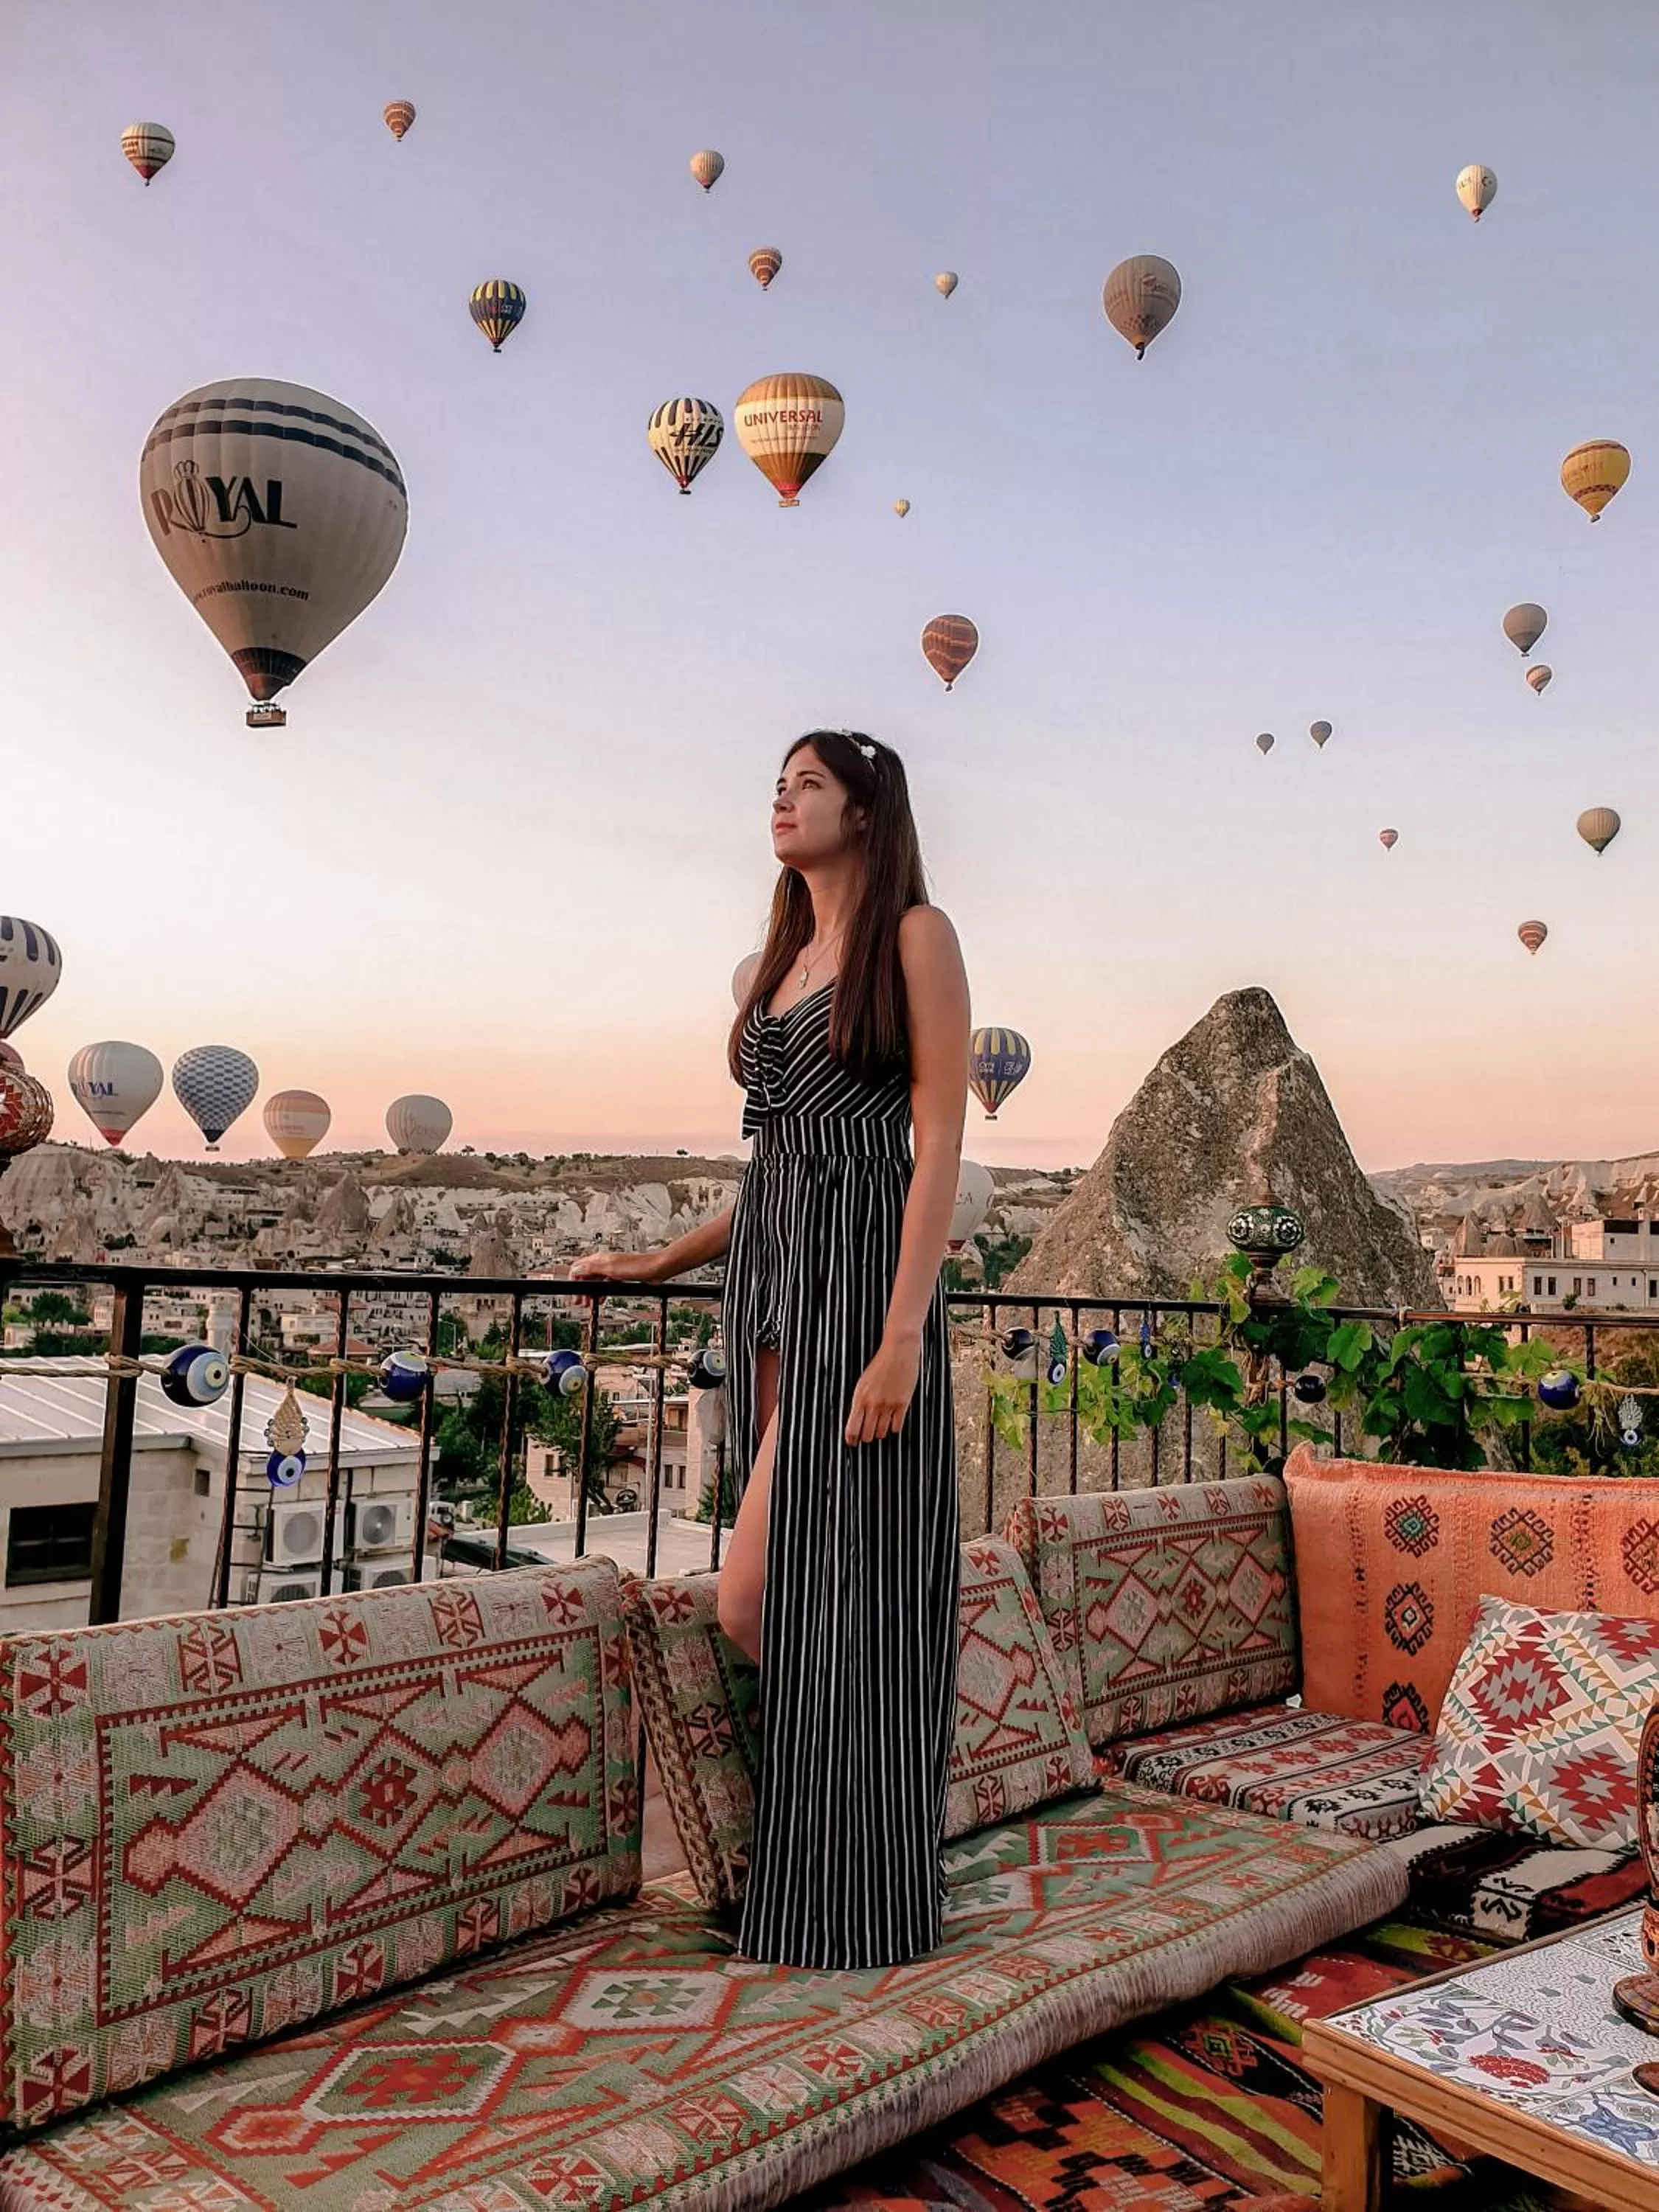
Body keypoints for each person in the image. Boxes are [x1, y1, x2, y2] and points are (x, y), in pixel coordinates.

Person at [572, 728, 970, 1969]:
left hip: (862, 1292)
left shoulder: (916, 937)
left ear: (866, 809)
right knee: (814, 1595)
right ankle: (837, 1885)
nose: (782, 802)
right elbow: (775, 1165)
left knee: (774, 1597)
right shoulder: (784, 959)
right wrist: (654, 1265)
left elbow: (936, 1142)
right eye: (777, 785)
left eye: (807, 785)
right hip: (771, 1292)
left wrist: (901, 1333)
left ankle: (859, 1880)